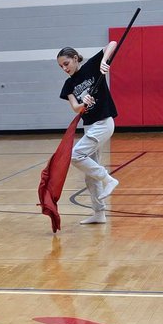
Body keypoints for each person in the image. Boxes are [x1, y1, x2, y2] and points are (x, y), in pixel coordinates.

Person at [57, 40, 119, 224]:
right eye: (61, 66)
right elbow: (75, 108)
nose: (64, 68)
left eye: (66, 63)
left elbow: (113, 43)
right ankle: (99, 214)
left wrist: (104, 61)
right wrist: (83, 103)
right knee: (90, 177)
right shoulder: (69, 85)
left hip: (104, 122)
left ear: (75, 58)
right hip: (89, 126)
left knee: (75, 155)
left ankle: (108, 179)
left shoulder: (92, 66)